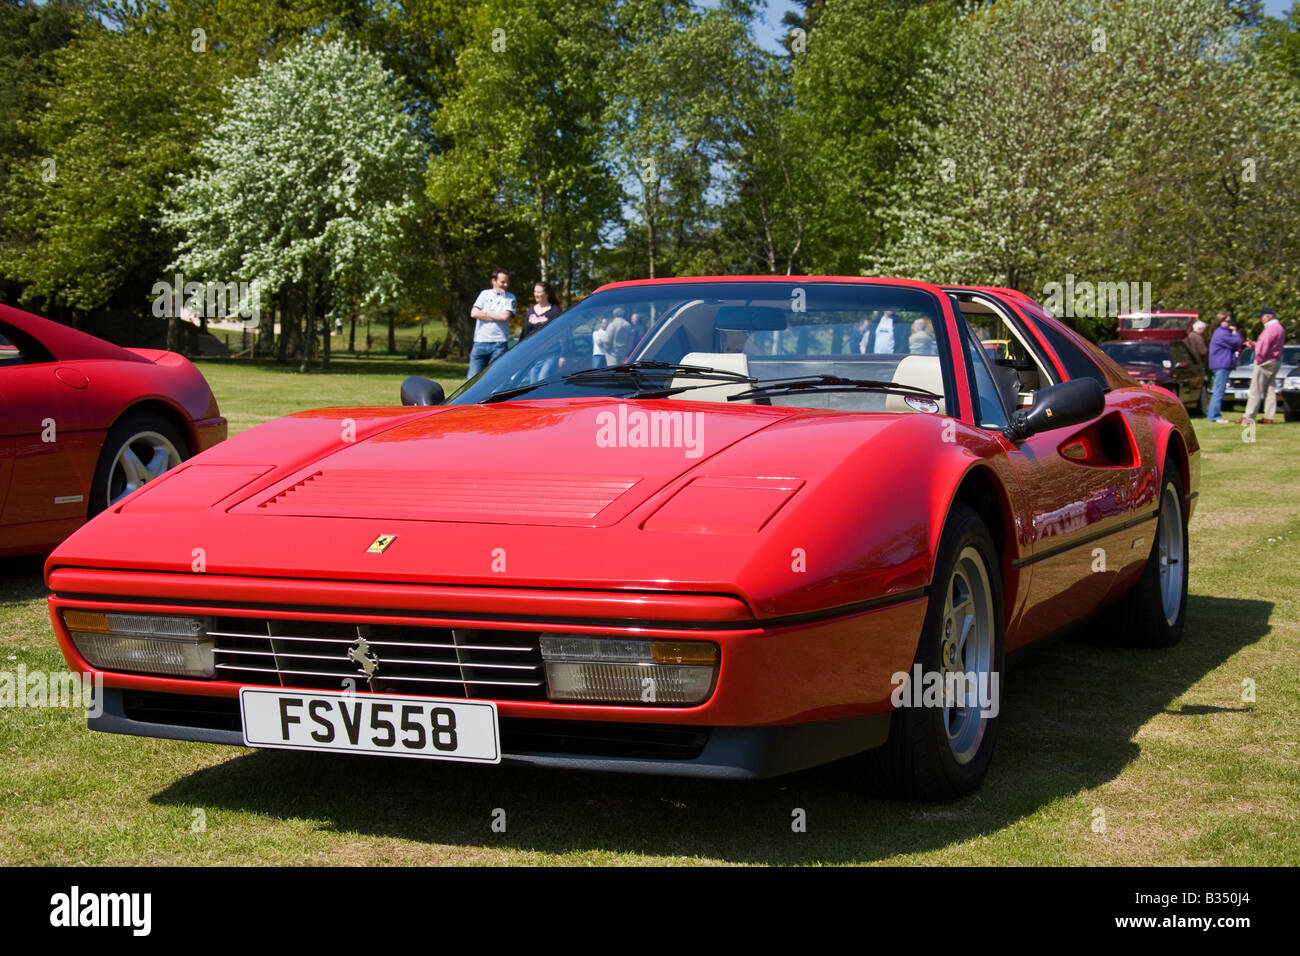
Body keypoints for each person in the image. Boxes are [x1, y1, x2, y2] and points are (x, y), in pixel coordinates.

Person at [1240, 307, 1286, 425]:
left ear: (1268, 317)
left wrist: (1258, 359)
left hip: (1265, 361)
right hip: (1275, 360)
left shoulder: (1270, 328)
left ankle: (1249, 416)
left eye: (1262, 317)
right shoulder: (1279, 328)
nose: (1261, 320)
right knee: (1270, 389)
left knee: (1256, 389)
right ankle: (1269, 416)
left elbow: (1264, 346)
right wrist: (1254, 344)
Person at [467, 268, 516, 378]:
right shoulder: (484, 294)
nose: (505, 284)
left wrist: (486, 312)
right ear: (494, 281)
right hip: (480, 341)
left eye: (507, 282)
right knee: (472, 379)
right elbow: (474, 313)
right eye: (502, 282)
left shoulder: (510, 297)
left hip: (499, 343)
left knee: (493, 378)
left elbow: (505, 317)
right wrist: (495, 315)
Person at [1206, 311, 1242, 423]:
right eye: (1226, 321)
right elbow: (1237, 342)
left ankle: (1213, 414)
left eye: (1229, 321)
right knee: (1219, 391)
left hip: (1219, 364)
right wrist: (1235, 332)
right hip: (1222, 364)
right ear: (1220, 321)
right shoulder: (1222, 333)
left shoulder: (1220, 332)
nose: (1229, 323)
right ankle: (1214, 415)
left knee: (1217, 390)